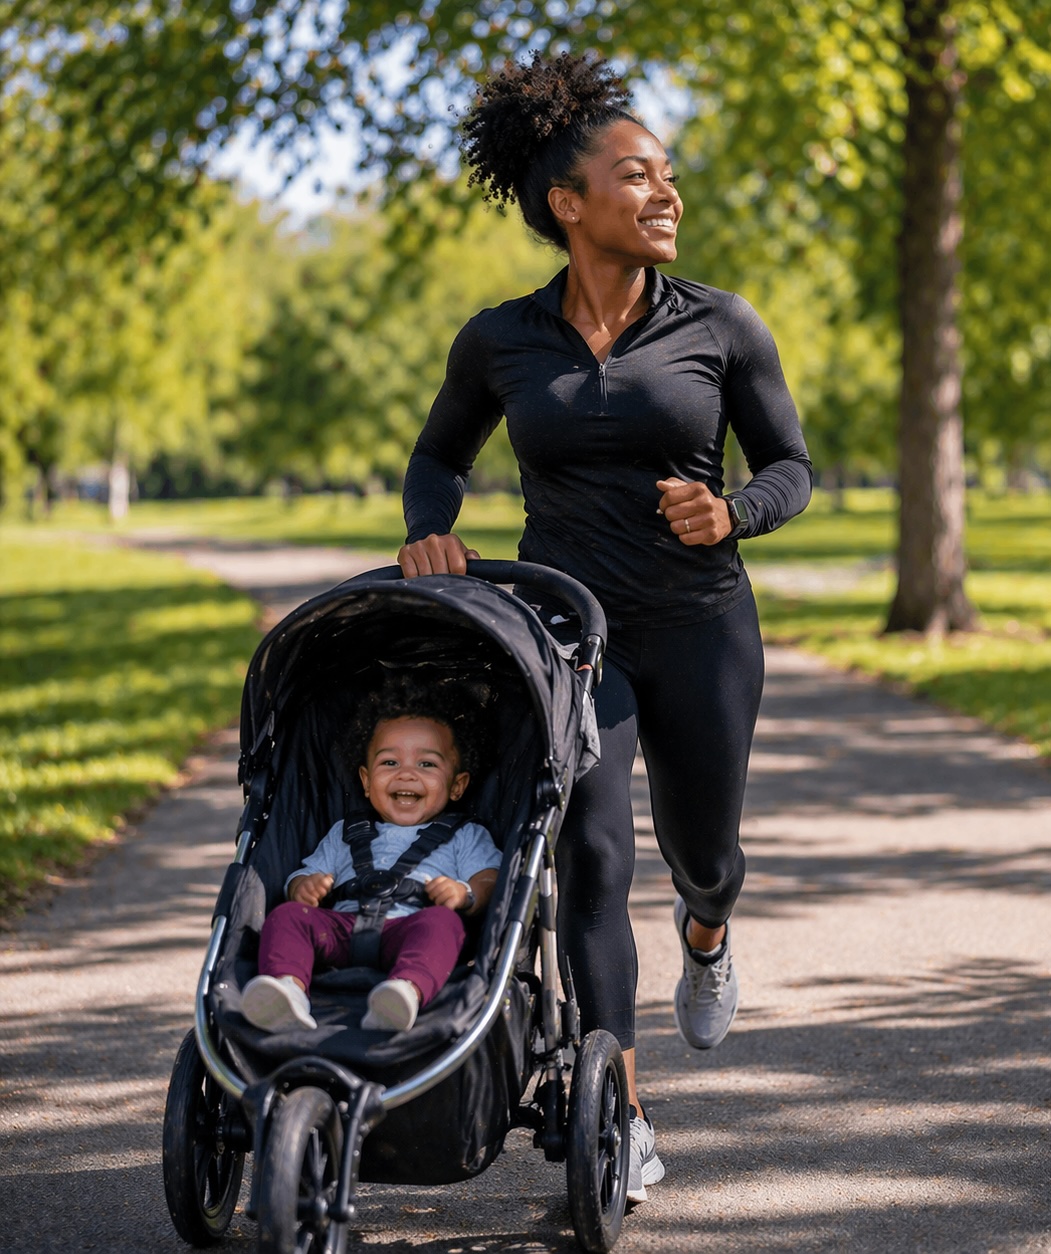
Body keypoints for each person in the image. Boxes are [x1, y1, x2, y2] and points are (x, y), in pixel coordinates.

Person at [397, 51, 812, 1202]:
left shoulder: (722, 327)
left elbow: (792, 466)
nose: (668, 193)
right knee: (588, 852)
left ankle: (712, 933)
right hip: (569, 633)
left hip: (702, 627)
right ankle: (615, 1112)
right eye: (639, 175)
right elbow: (440, 456)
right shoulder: (501, 340)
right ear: (569, 206)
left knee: (705, 856)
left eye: (670, 175)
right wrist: (432, 527)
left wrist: (732, 510)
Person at [240, 684, 501, 1035]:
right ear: (365, 780)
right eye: (389, 762)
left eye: (426, 763)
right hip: (342, 928)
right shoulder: (345, 832)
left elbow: (491, 877)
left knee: (443, 925)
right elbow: (307, 873)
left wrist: (464, 893)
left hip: (412, 926)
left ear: (457, 785)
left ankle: (404, 992)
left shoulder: (465, 834)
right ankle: (288, 990)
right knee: (287, 917)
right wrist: (303, 887)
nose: (406, 774)